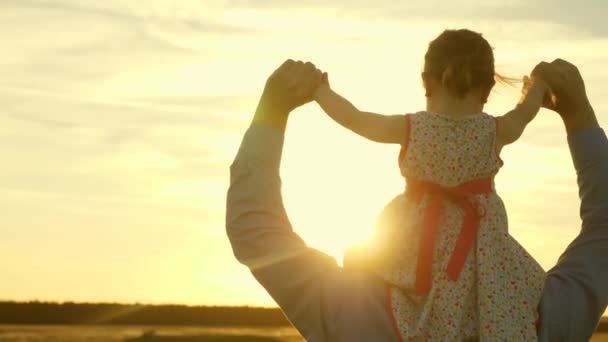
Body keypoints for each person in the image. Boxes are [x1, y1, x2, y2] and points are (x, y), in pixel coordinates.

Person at [226, 57, 607, 341]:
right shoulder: (534, 317)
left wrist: (273, 110)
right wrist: (579, 115)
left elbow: (256, 232)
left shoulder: (351, 310)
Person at [313, 29, 549, 340]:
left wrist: (320, 91)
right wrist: (538, 84)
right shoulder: (496, 130)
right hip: (479, 248)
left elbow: (355, 118)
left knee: (368, 266)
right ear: (488, 89)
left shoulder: (411, 127)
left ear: (426, 82)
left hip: (412, 246)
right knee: (494, 290)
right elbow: (525, 113)